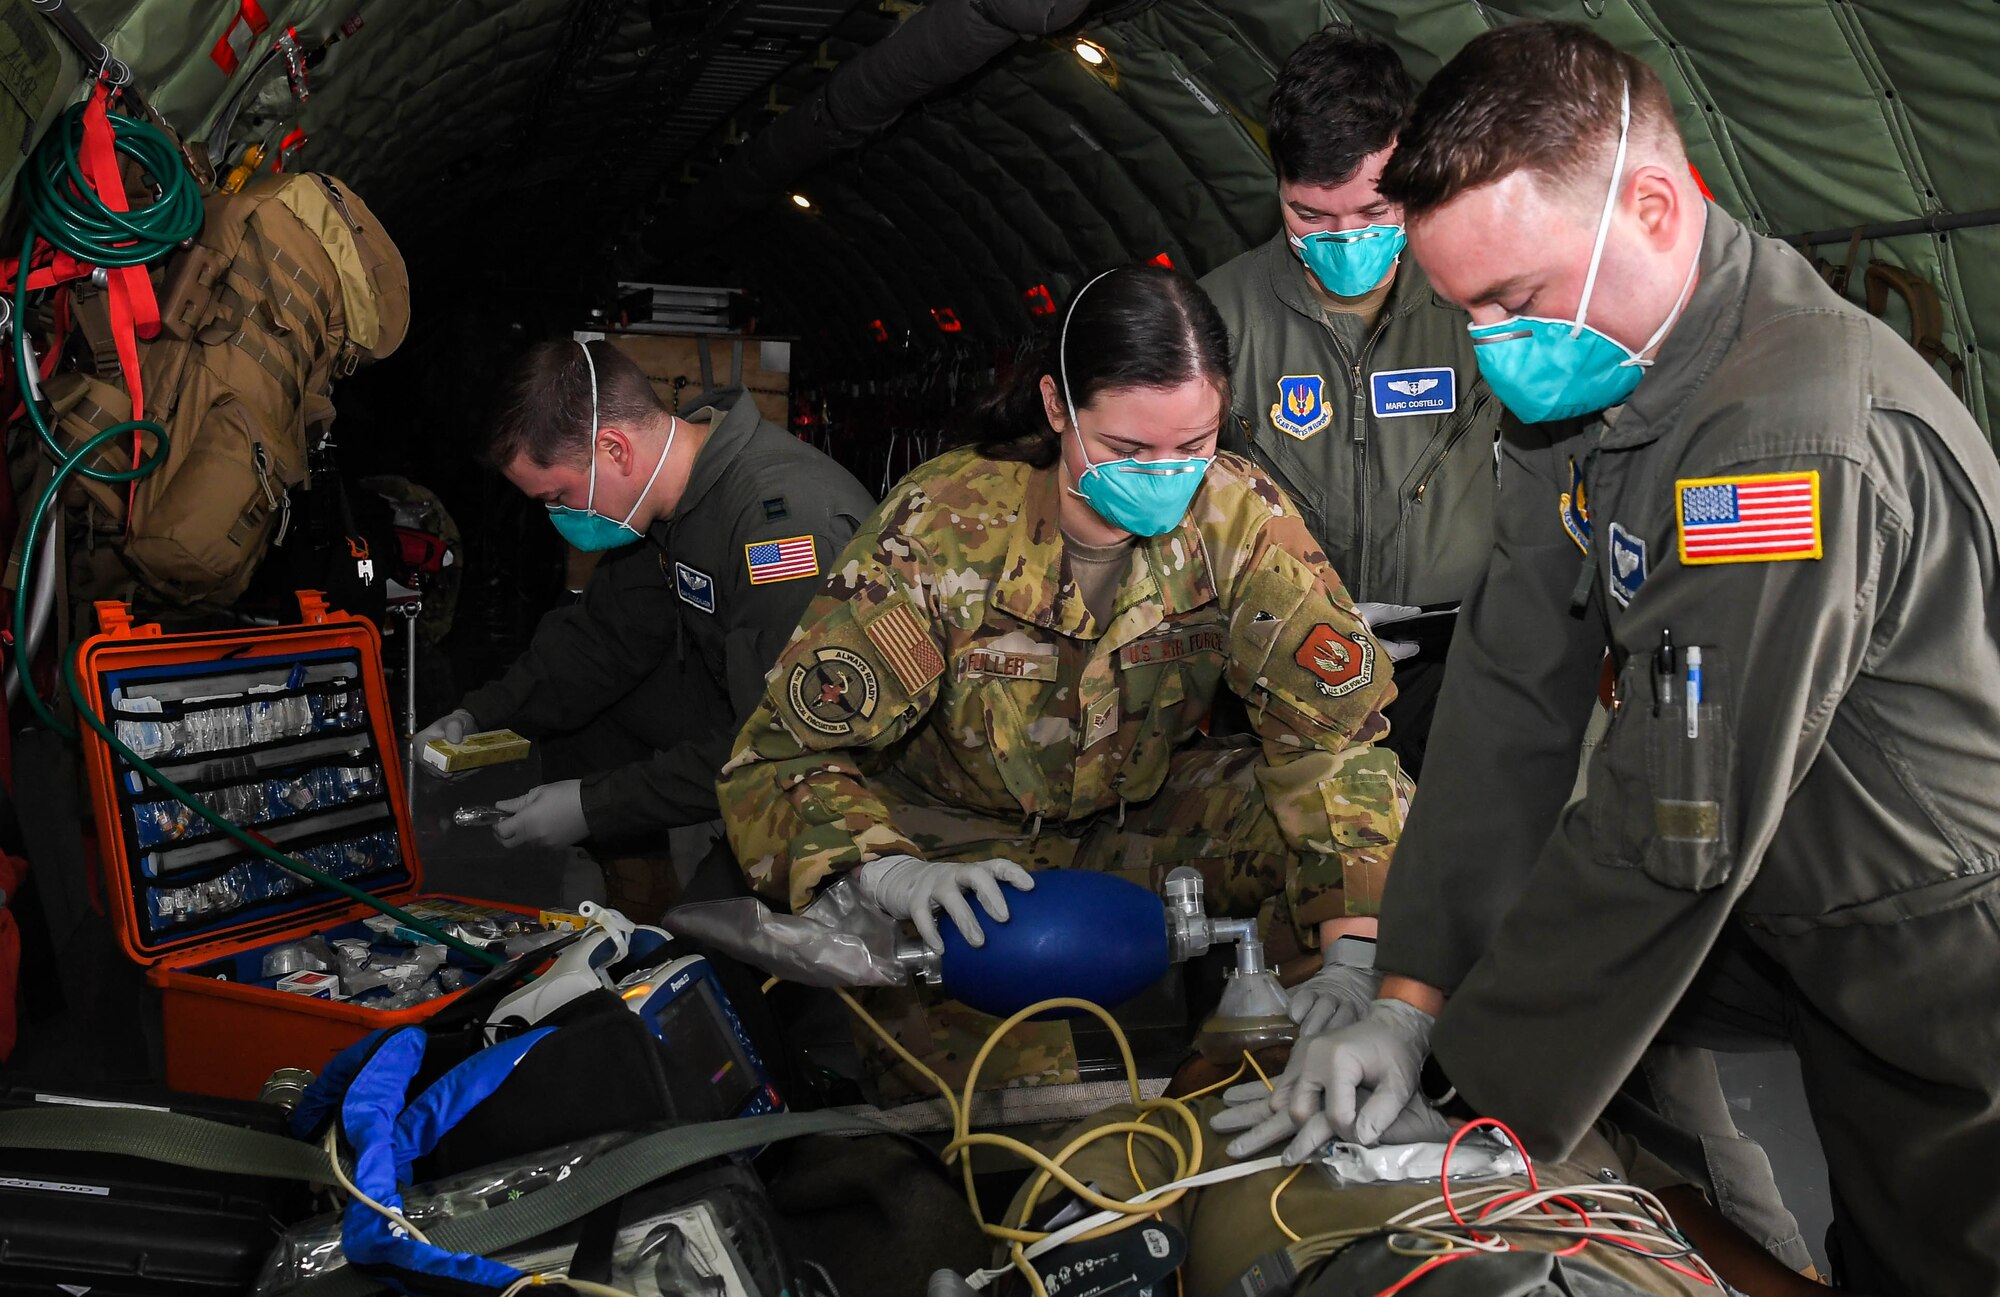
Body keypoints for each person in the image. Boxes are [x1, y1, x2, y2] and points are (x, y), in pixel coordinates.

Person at [1215, 22, 2000, 1295]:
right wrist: (1405, 991)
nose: (1490, 346)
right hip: (1777, 891)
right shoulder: (1585, 390)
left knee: (1935, 1251)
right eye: (1462, 308)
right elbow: (1506, 688)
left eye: (1511, 301)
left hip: (1926, 927)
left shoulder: (1785, 439)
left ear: (1648, 204)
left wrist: (1471, 1098)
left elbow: (1672, 818)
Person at [716, 265, 1408, 1093]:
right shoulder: (943, 531)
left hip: (1139, 818)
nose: (1165, 474)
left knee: (1343, 828)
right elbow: (779, 762)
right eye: (1126, 448)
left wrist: (1357, 953)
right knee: (1026, 1135)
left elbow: (1336, 747)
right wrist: (892, 873)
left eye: (1194, 445)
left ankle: (1261, 1081)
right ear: (1055, 408)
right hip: (961, 856)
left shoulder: (1237, 518)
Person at [413, 338, 872, 914]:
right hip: (751, 711)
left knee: (711, 954)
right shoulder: (668, 503)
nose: (558, 518)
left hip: (834, 774)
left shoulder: (780, 530)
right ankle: (638, 901)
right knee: (587, 715)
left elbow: (780, 743)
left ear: (614, 448)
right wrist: (478, 716)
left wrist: (590, 807)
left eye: (558, 497)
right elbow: (602, 638)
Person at [1201, 25, 1500, 778]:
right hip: (1277, 682)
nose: (1344, 239)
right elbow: (1174, 523)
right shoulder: (1216, 320)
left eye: (1374, 212)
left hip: (1451, 678)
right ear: (1277, 186)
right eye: (1311, 216)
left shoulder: (1478, 298)